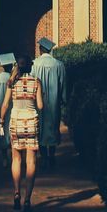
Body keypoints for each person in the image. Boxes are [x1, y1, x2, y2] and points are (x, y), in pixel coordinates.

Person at [0, 54, 43, 212]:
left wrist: (1, 121)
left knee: (16, 159)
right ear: (31, 66)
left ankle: (16, 192)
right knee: (31, 162)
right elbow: (41, 105)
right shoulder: (36, 82)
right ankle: (27, 200)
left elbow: (5, 104)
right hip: (31, 122)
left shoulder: (11, 82)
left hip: (16, 122)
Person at [31, 36, 67, 167]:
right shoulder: (59, 65)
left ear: (41, 49)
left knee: (39, 129)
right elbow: (63, 84)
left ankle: (44, 157)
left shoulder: (35, 64)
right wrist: (63, 99)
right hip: (54, 102)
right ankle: (51, 156)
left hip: (37, 102)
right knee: (53, 128)